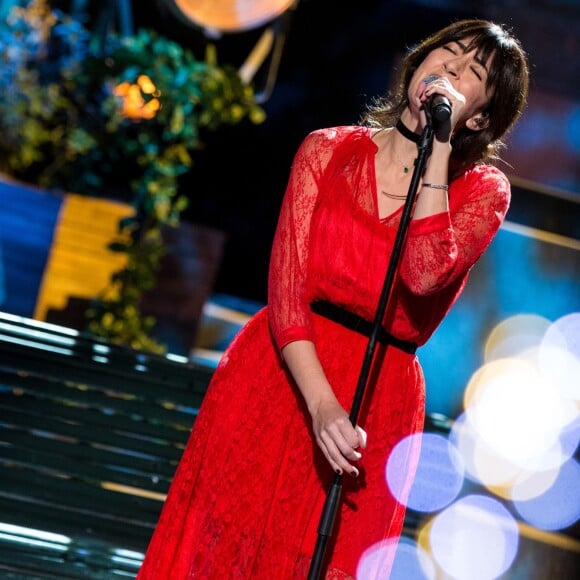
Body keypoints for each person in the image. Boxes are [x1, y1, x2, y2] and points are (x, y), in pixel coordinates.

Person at [137, 18, 529, 579]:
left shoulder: (484, 191)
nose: (449, 70)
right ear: (418, 62)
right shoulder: (325, 150)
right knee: (223, 542)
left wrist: (439, 150)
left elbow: (421, 275)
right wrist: (321, 405)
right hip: (283, 372)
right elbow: (288, 291)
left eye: (472, 74)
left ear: (481, 117)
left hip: (378, 395)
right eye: (448, 53)